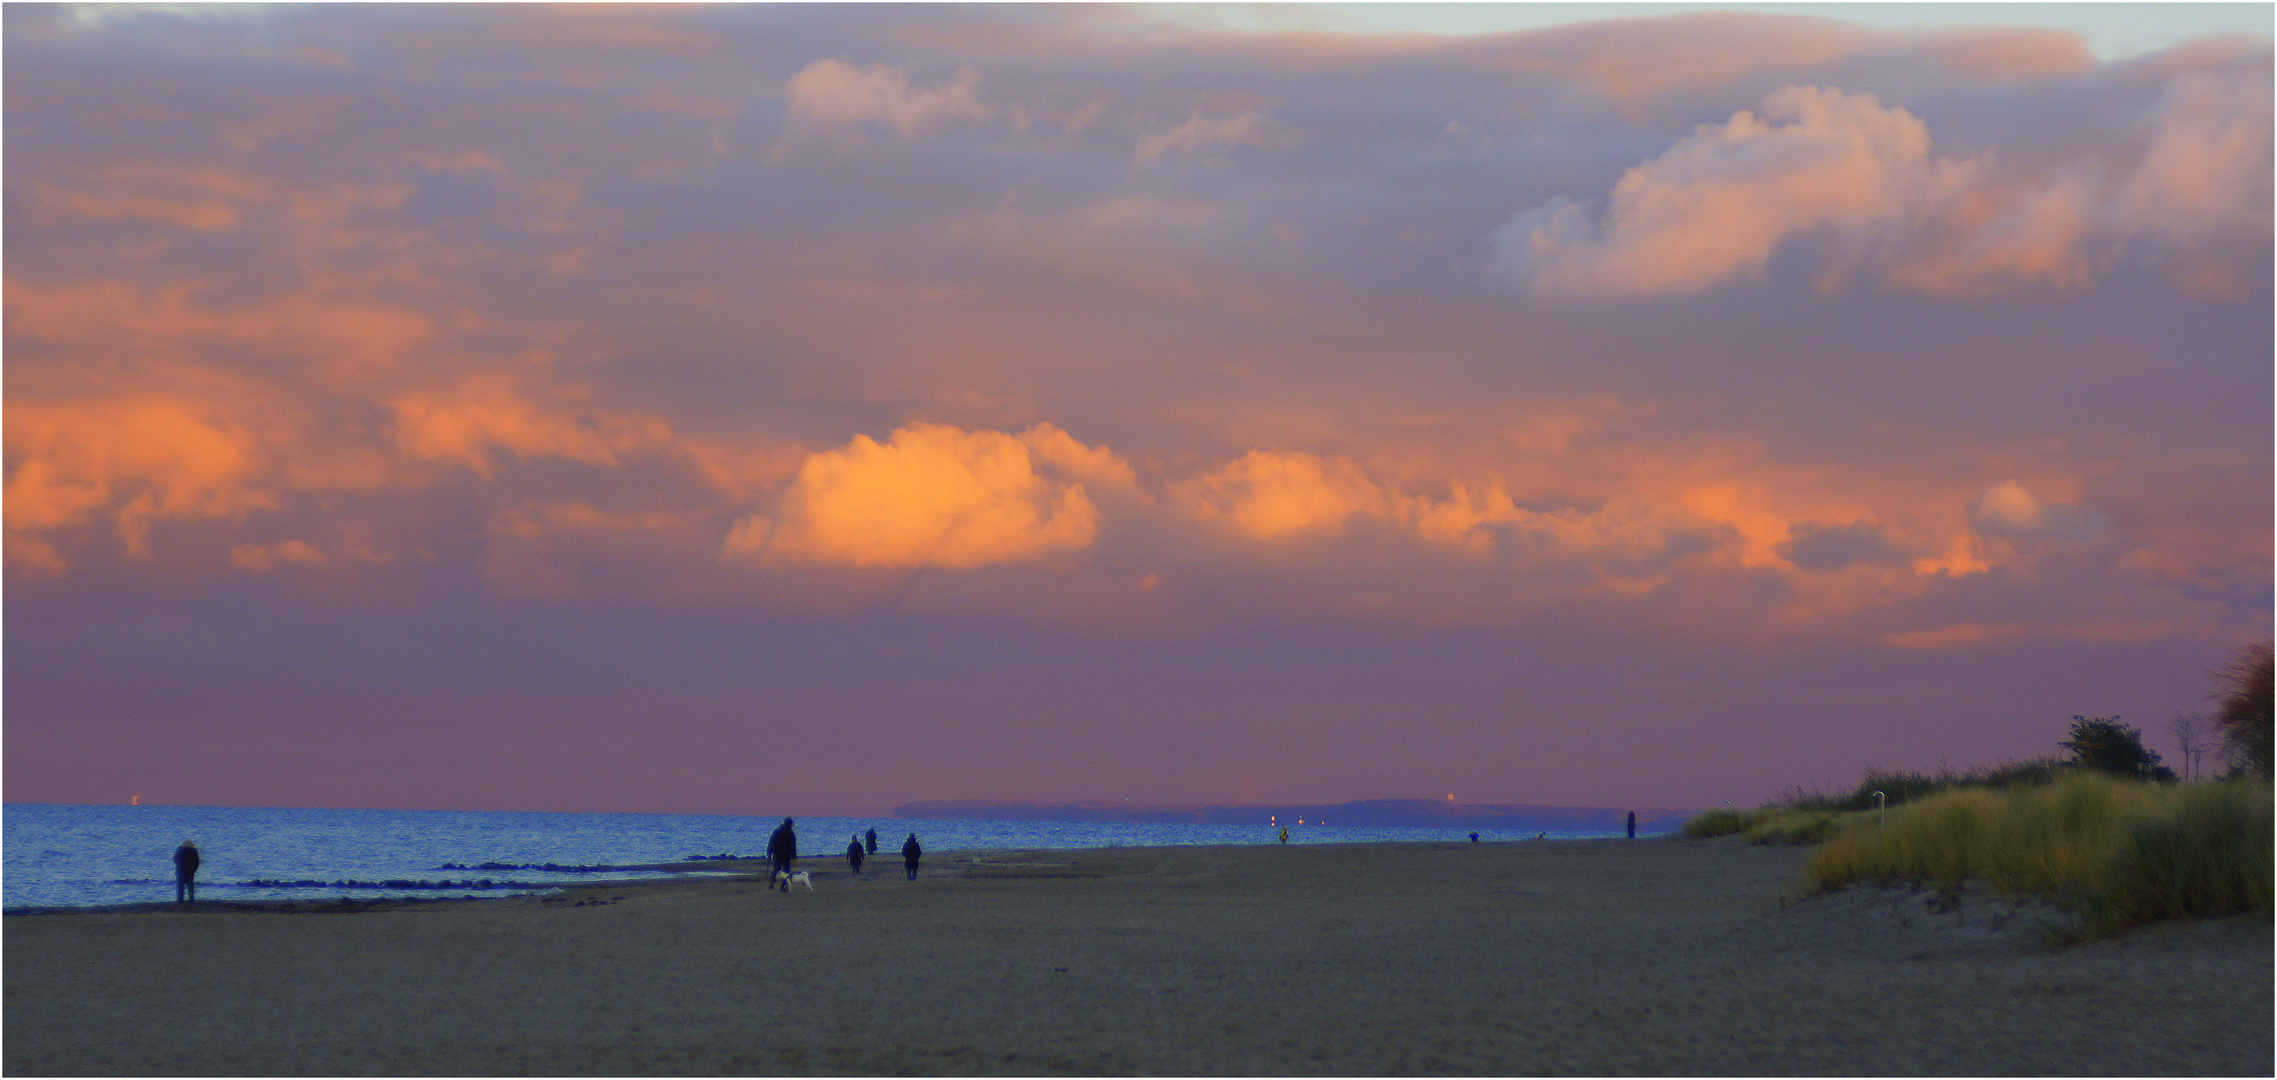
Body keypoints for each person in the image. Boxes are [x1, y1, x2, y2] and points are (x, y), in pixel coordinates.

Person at [767, 818, 797, 891]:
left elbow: (771, 842)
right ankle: (783, 886)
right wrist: (794, 857)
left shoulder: (777, 831)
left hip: (777, 854)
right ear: (790, 824)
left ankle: (771, 884)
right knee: (786, 871)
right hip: (786, 855)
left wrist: (769, 853)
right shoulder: (790, 833)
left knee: (776, 869)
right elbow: (793, 846)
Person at [172, 840, 200, 905]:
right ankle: (191, 900)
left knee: (180, 887)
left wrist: (179, 866)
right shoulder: (193, 851)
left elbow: (175, 859)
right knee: (190, 887)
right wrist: (193, 869)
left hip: (180, 871)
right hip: (190, 871)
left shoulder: (179, 850)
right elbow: (197, 861)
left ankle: (180, 900)